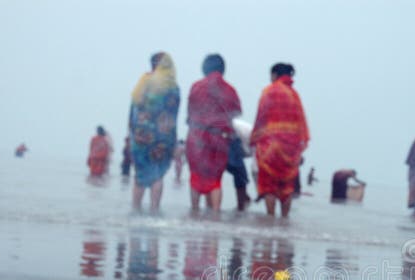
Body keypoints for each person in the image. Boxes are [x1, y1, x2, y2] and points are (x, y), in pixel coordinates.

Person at [250, 62, 310, 218]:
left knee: (269, 186)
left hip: (271, 147)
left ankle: (271, 218)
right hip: (290, 149)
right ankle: (284, 220)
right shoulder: (294, 95)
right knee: (286, 187)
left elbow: (260, 118)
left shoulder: (269, 91)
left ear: (275, 75)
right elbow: (301, 124)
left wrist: (254, 138)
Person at [185, 54, 242, 213]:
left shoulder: (196, 87)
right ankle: (215, 216)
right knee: (215, 181)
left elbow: (190, 113)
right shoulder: (230, 90)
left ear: (205, 68)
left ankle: (194, 212)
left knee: (196, 177)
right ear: (223, 69)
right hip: (219, 139)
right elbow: (237, 112)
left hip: (196, 138)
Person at [128, 52, 180, 213]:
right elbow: (173, 115)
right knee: (157, 175)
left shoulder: (146, 81)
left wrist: (131, 132)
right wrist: (173, 139)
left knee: (141, 174)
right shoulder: (174, 88)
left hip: (142, 135)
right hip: (164, 136)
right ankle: (155, 211)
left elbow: (134, 107)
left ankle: (135, 211)